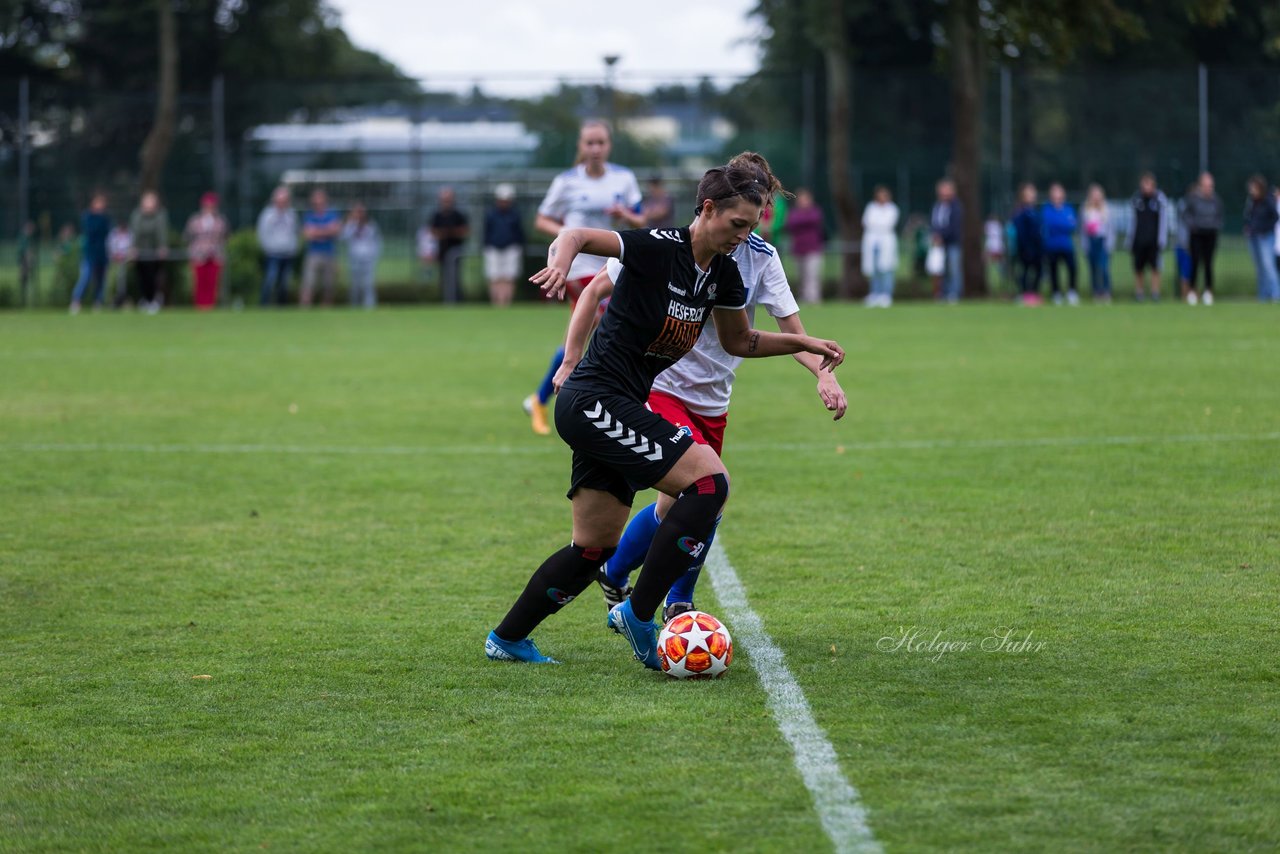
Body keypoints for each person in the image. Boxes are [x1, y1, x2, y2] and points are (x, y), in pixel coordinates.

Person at [484, 161, 844, 667]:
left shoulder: (722, 274)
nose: (743, 235)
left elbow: (742, 340)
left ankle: (508, 638)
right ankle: (639, 612)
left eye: (753, 226)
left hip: (617, 406)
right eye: (736, 224)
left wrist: (802, 343)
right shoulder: (658, 247)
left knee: (593, 546)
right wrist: (562, 263)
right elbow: (577, 234)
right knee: (709, 484)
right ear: (708, 208)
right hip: (594, 400)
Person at [596, 152, 847, 623]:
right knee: (705, 490)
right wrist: (576, 354)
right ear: (718, 204)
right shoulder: (673, 243)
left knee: (689, 505)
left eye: (756, 215)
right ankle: (676, 602)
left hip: (714, 399)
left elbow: (791, 328)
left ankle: (615, 571)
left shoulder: (760, 258)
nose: (747, 227)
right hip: (664, 386)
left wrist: (823, 373)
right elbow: (604, 284)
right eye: (741, 216)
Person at [523, 120, 645, 436]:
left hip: (614, 263)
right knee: (605, 321)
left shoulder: (623, 178)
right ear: (581, 146)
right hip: (577, 267)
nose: (595, 149)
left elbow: (640, 217)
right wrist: (569, 236)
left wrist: (626, 216)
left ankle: (540, 398)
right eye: (589, 143)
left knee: (586, 331)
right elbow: (542, 219)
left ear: (609, 145)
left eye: (600, 143)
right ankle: (623, 400)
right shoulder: (567, 182)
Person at [1127, 172, 1169, 302]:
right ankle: (1139, 293)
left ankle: (1155, 293)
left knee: (1155, 268)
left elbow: (1164, 221)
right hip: (1139, 240)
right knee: (1138, 268)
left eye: (1149, 184)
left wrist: (1162, 239)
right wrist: (1130, 240)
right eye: (1144, 184)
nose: (1147, 187)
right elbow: (1131, 221)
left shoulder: (1159, 199)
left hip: (1154, 241)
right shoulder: (1136, 199)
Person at [482, 183, 525, 307]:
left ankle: (506, 304)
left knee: (509, 276)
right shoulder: (491, 214)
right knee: (494, 276)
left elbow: (519, 233)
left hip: (511, 248)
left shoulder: (515, 215)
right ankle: (496, 304)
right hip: (493, 248)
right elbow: (486, 232)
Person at [184, 191, 228, 310]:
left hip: (215, 255)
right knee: (200, 282)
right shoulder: (195, 220)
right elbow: (188, 237)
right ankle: (199, 305)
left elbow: (224, 238)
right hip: (199, 255)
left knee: (212, 282)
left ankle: (210, 305)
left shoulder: (220, 221)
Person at [69, 192, 110, 314]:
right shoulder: (88, 217)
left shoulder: (105, 218)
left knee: (101, 280)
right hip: (90, 253)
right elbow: (92, 231)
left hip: (102, 253)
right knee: (85, 277)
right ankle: (76, 300)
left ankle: (98, 302)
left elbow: (106, 232)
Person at [256, 186, 298, 307]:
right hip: (272, 253)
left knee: (284, 283)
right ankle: (264, 305)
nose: (282, 203)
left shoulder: (291, 214)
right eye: (280, 200)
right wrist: (267, 248)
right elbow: (262, 233)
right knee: (270, 279)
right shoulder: (268, 215)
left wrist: (293, 248)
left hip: (287, 253)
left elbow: (294, 232)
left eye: (285, 200)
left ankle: (282, 307)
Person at [129, 190, 170, 314]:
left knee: (153, 277)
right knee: (142, 277)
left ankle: (154, 300)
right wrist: (133, 248)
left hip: (154, 252)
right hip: (140, 252)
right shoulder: (137, 215)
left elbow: (161, 233)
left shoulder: (160, 215)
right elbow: (135, 233)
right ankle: (145, 300)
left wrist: (162, 247)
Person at [300, 188, 341, 307]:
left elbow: (336, 230)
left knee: (329, 285)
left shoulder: (332, 213)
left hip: (329, 253)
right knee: (308, 283)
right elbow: (307, 234)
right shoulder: (309, 215)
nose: (318, 203)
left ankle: (326, 309)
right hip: (313, 253)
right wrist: (327, 230)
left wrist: (316, 231)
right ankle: (304, 308)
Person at [1243, 174, 1280, 302]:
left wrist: (1264, 229)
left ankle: (1276, 295)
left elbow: (1275, 217)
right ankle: (1262, 297)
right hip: (1253, 237)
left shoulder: (1268, 200)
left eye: (1253, 187)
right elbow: (1248, 217)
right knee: (1259, 268)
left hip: (1265, 237)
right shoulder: (1252, 201)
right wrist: (1248, 227)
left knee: (1268, 266)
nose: (1251, 189)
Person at [861, 185, 899, 307]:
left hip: (886, 242)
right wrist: (877, 225)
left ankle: (886, 294)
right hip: (873, 242)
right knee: (874, 270)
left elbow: (887, 224)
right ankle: (875, 293)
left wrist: (876, 225)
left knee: (886, 269)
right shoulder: (871, 207)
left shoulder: (892, 209)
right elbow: (866, 222)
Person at [784, 188, 825, 303]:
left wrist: (800, 222)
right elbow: (790, 223)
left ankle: (813, 299)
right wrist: (802, 222)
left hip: (813, 249)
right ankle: (804, 298)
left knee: (812, 276)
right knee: (801, 277)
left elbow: (813, 219)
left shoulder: (815, 211)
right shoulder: (794, 213)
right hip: (798, 249)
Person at [430, 187, 470, 303]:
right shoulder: (437, 215)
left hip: (455, 252)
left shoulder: (458, 215)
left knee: (455, 278)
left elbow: (465, 231)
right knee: (444, 279)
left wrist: (450, 232)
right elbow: (433, 231)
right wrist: (444, 233)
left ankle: (457, 300)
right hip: (442, 251)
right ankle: (447, 300)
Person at [341, 203, 381, 309]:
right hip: (354, 258)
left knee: (368, 284)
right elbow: (343, 237)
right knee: (355, 284)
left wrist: (374, 255)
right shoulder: (351, 226)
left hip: (368, 258)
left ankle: (369, 306)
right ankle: (354, 305)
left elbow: (377, 242)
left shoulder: (371, 226)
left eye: (361, 212)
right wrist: (351, 222)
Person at [930, 178, 963, 303]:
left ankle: (954, 293)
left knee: (953, 269)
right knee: (940, 269)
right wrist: (935, 236)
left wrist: (941, 236)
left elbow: (953, 226)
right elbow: (934, 223)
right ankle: (942, 293)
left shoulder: (956, 206)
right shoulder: (937, 206)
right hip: (939, 244)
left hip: (952, 242)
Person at [1012, 184, 1043, 306]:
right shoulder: (1020, 212)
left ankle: (1034, 293)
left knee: (1038, 271)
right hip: (1025, 248)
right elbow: (1021, 232)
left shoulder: (1035, 211)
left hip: (1037, 248)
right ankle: (1024, 294)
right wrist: (1025, 247)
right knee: (1025, 271)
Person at [1081, 185, 1113, 304]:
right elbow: (1082, 229)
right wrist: (1085, 245)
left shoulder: (1106, 209)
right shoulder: (1085, 210)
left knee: (1104, 268)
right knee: (1093, 268)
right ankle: (1096, 292)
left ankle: (1106, 291)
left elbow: (1110, 229)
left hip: (1102, 241)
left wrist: (1109, 244)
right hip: (1091, 241)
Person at [107, 220, 133, 308]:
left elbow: (131, 247)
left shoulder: (129, 235)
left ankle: (124, 300)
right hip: (114, 262)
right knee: (112, 281)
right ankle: (112, 300)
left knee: (123, 281)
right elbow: (110, 247)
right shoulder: (113, 235)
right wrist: (115, 255)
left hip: (126, 261)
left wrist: (126, 256)